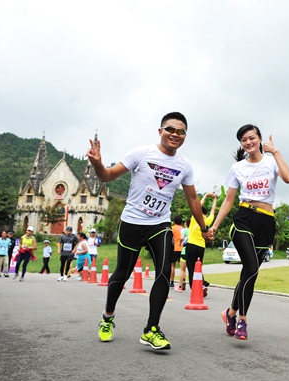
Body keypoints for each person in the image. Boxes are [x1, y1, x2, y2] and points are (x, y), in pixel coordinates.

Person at [86, 111, 211, 350]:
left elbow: (193, 198)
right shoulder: (141, 154)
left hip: (160, 225)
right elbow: (108, 176)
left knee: (164, 272)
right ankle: (107, 317)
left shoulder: (185, 166)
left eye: (180, 131)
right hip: (132, 222)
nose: (175, 134)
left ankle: (151, 329)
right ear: (160, 131)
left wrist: (204, 228)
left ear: (185, 135)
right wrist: (98, 164)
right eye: (170, 129)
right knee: (122, 273)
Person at [211, 124, 289, 340]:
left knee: (250, 274)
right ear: (241, 144)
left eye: (251, 138)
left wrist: (275, 151)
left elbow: (288, 178)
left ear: (259, 139)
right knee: (251, 267)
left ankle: (229, 313)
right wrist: (216, 225)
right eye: (244, 140)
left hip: (266, 222)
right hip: (244, 219)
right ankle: (242, 321)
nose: (248, 142)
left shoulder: (271, 161)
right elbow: (229, 199)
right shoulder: (237, 168)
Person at [185, 192, 217, 297]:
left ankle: (194, 288)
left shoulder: (195, 218)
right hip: (201, 247)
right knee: (198, 267)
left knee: (191, 268)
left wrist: (206, 195)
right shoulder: (207, 221)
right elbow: (213, 211)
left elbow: (198, 205)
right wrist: (214, 199)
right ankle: (202, 285)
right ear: (206, 214)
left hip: (191, 245)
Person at [175, 217, 190, 291]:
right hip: (192, 251)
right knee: (191, 269)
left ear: (186, 224)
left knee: (182, 269)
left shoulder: (184, 230)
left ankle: (180, 286)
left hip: (184, 251)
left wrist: (180, 243)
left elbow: (181, 238)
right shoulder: (193, 230)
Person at [170, 215, 184, 288]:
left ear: (174, 221)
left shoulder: (172, 228)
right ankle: (182, 282)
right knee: (182, 267)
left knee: (172, 265)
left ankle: (171, 281)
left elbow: (171, 238)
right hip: (182, 248)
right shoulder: (183, 228)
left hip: (175, 248)